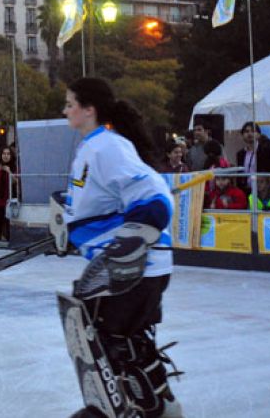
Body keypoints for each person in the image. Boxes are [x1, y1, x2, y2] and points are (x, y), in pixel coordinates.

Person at [60, 77, 179, 417]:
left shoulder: (106, 147)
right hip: (128, 269)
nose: (65, 110)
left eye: (70, 104)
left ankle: (120, 411)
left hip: (130, 271)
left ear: (89, 109)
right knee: (129, 344)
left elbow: (154, 195)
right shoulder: (95, 146)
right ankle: (159, 407)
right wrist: (71, 224)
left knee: (111, 346)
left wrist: (132, 242)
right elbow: (98, 202)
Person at [235, 121, 270, 194]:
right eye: (246, 131)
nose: (249, 134)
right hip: (246, 191)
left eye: (253, 131)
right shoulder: (240, 154)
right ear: (242, 135)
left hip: (264, 191)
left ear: (259, 134)